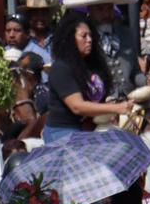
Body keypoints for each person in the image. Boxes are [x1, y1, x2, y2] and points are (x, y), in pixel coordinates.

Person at [45, 11, 131, 143]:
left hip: (89, 127)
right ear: (70, 39)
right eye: (83, 36)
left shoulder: (93, 66)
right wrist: (116, 108)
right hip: (63, 131)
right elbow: (77, 106)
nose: (89, 40)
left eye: (91, 35)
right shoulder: (61, 68)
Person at [65, 0, 140, 101]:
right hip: (100, 105)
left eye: (109, 8)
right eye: (100, 9)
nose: (106, 14)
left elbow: (135, 72)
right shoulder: (85, 38)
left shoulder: (125, 34)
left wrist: (146, 80)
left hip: (130, 101)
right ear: (89, 10)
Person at [20, 0, 56, 66]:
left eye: (43, 14)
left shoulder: (56, 38)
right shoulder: (23, 40)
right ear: (29, 16)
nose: (40, 18)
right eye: (36, 14)